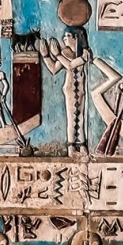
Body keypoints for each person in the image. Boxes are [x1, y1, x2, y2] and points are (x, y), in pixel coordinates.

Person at [38, 26, 92, 155]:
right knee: (72, 118)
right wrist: (45, 55)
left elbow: (70, 65)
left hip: (79, 89)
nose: (64, 39)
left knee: (80, 117)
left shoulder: (85, 54)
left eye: (67, 36)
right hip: (70, 89)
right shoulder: (65, 53)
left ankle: (81, 145)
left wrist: (57, 54)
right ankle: (72, 146)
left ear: (76, 38)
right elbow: (53, 69)